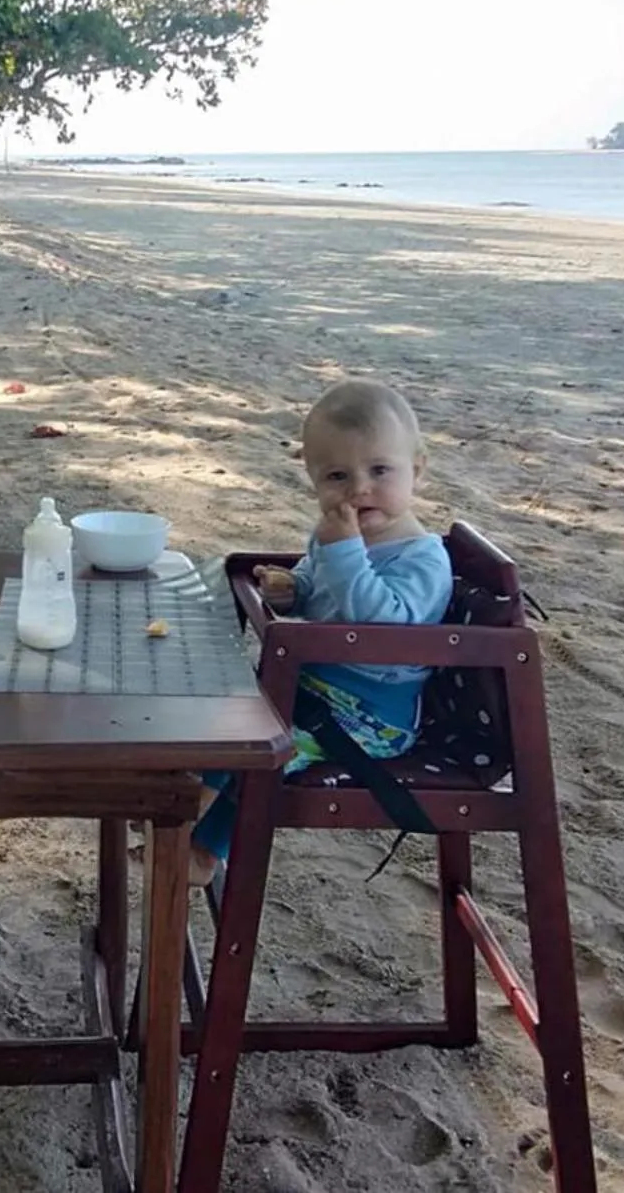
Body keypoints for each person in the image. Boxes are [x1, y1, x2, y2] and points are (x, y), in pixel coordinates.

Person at [190, 378, 455, 882]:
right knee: (228, 711)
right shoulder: (334, 536)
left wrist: (343, 552)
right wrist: (293, 589)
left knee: (261, 751)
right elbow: (321, 587)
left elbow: (382, 625)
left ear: (416, 470)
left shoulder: (423, 558)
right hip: (312, 688)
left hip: (369, 719)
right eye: (337, 475)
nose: (358, 489)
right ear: (312, 480)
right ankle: (185, 811)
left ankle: (200, 845)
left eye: (380, 470)